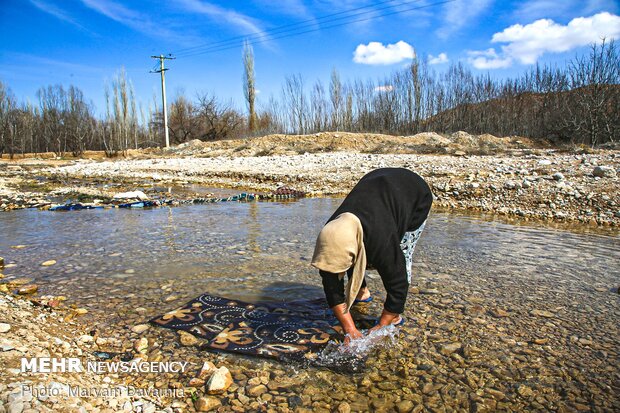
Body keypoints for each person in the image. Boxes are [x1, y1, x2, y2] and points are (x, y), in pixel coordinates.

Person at [311, 168, 432, 343]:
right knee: (349, 251)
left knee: (401, 257)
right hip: (376, 185)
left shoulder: (382, 240)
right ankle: (362, 291)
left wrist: (381, 326)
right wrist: (349, 329)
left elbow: (398, 283)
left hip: (414, 193)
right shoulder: (332, 232)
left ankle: (395, 316)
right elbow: (331, 286)